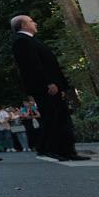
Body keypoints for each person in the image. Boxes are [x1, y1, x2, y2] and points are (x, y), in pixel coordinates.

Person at [10, 15, 88, 161]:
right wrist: (48, 82)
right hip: (44, 87)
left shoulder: (30, 40)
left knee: (60, 117)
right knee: (53, 117)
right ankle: (53, 149)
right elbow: (32, 66)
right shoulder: (21, 41)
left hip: (53, 86)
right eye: (31, 21)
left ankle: (65, 150)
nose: (35, 23)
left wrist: (61, 86)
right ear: (23, 25)